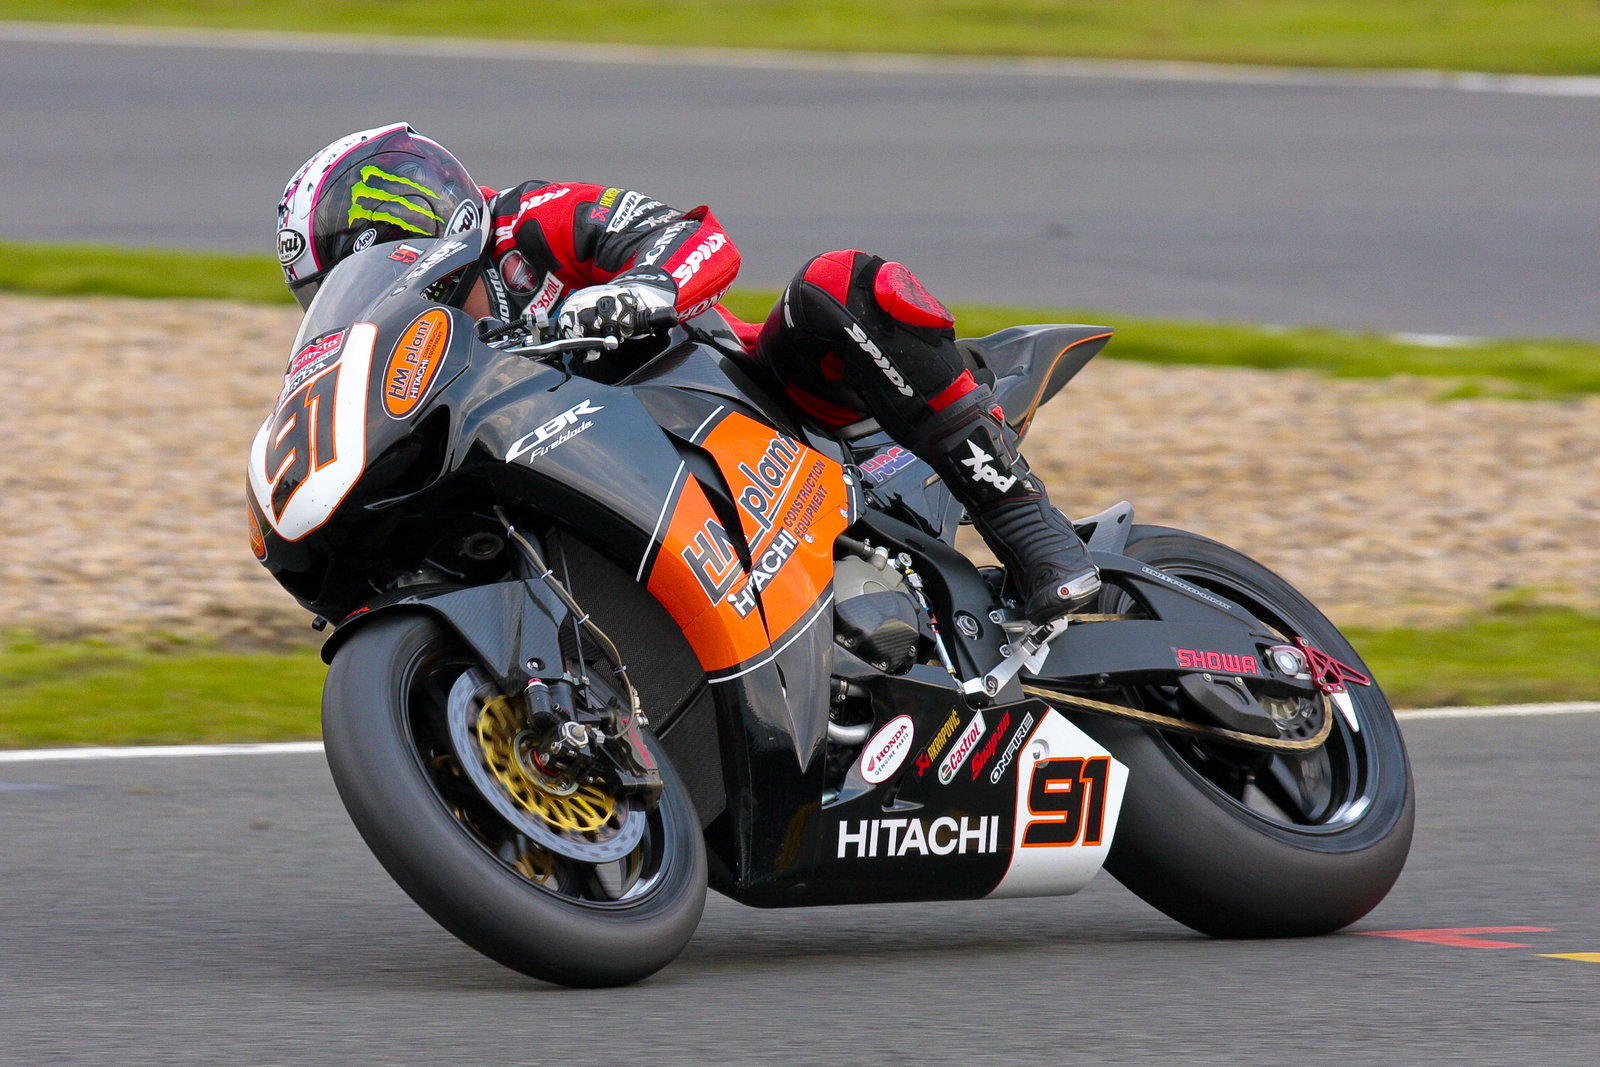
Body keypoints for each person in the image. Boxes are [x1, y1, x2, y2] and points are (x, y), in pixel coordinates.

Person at [276, 123, 1099, 624]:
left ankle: (1030, 529)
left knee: (837, 285)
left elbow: (697, 240)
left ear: (415, 210)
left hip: (769, 409)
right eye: (335, 287)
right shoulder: (422, 361)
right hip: (631, 490)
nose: (368, 285)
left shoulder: (525, 223)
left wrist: (639, 290)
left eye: (367, 257)